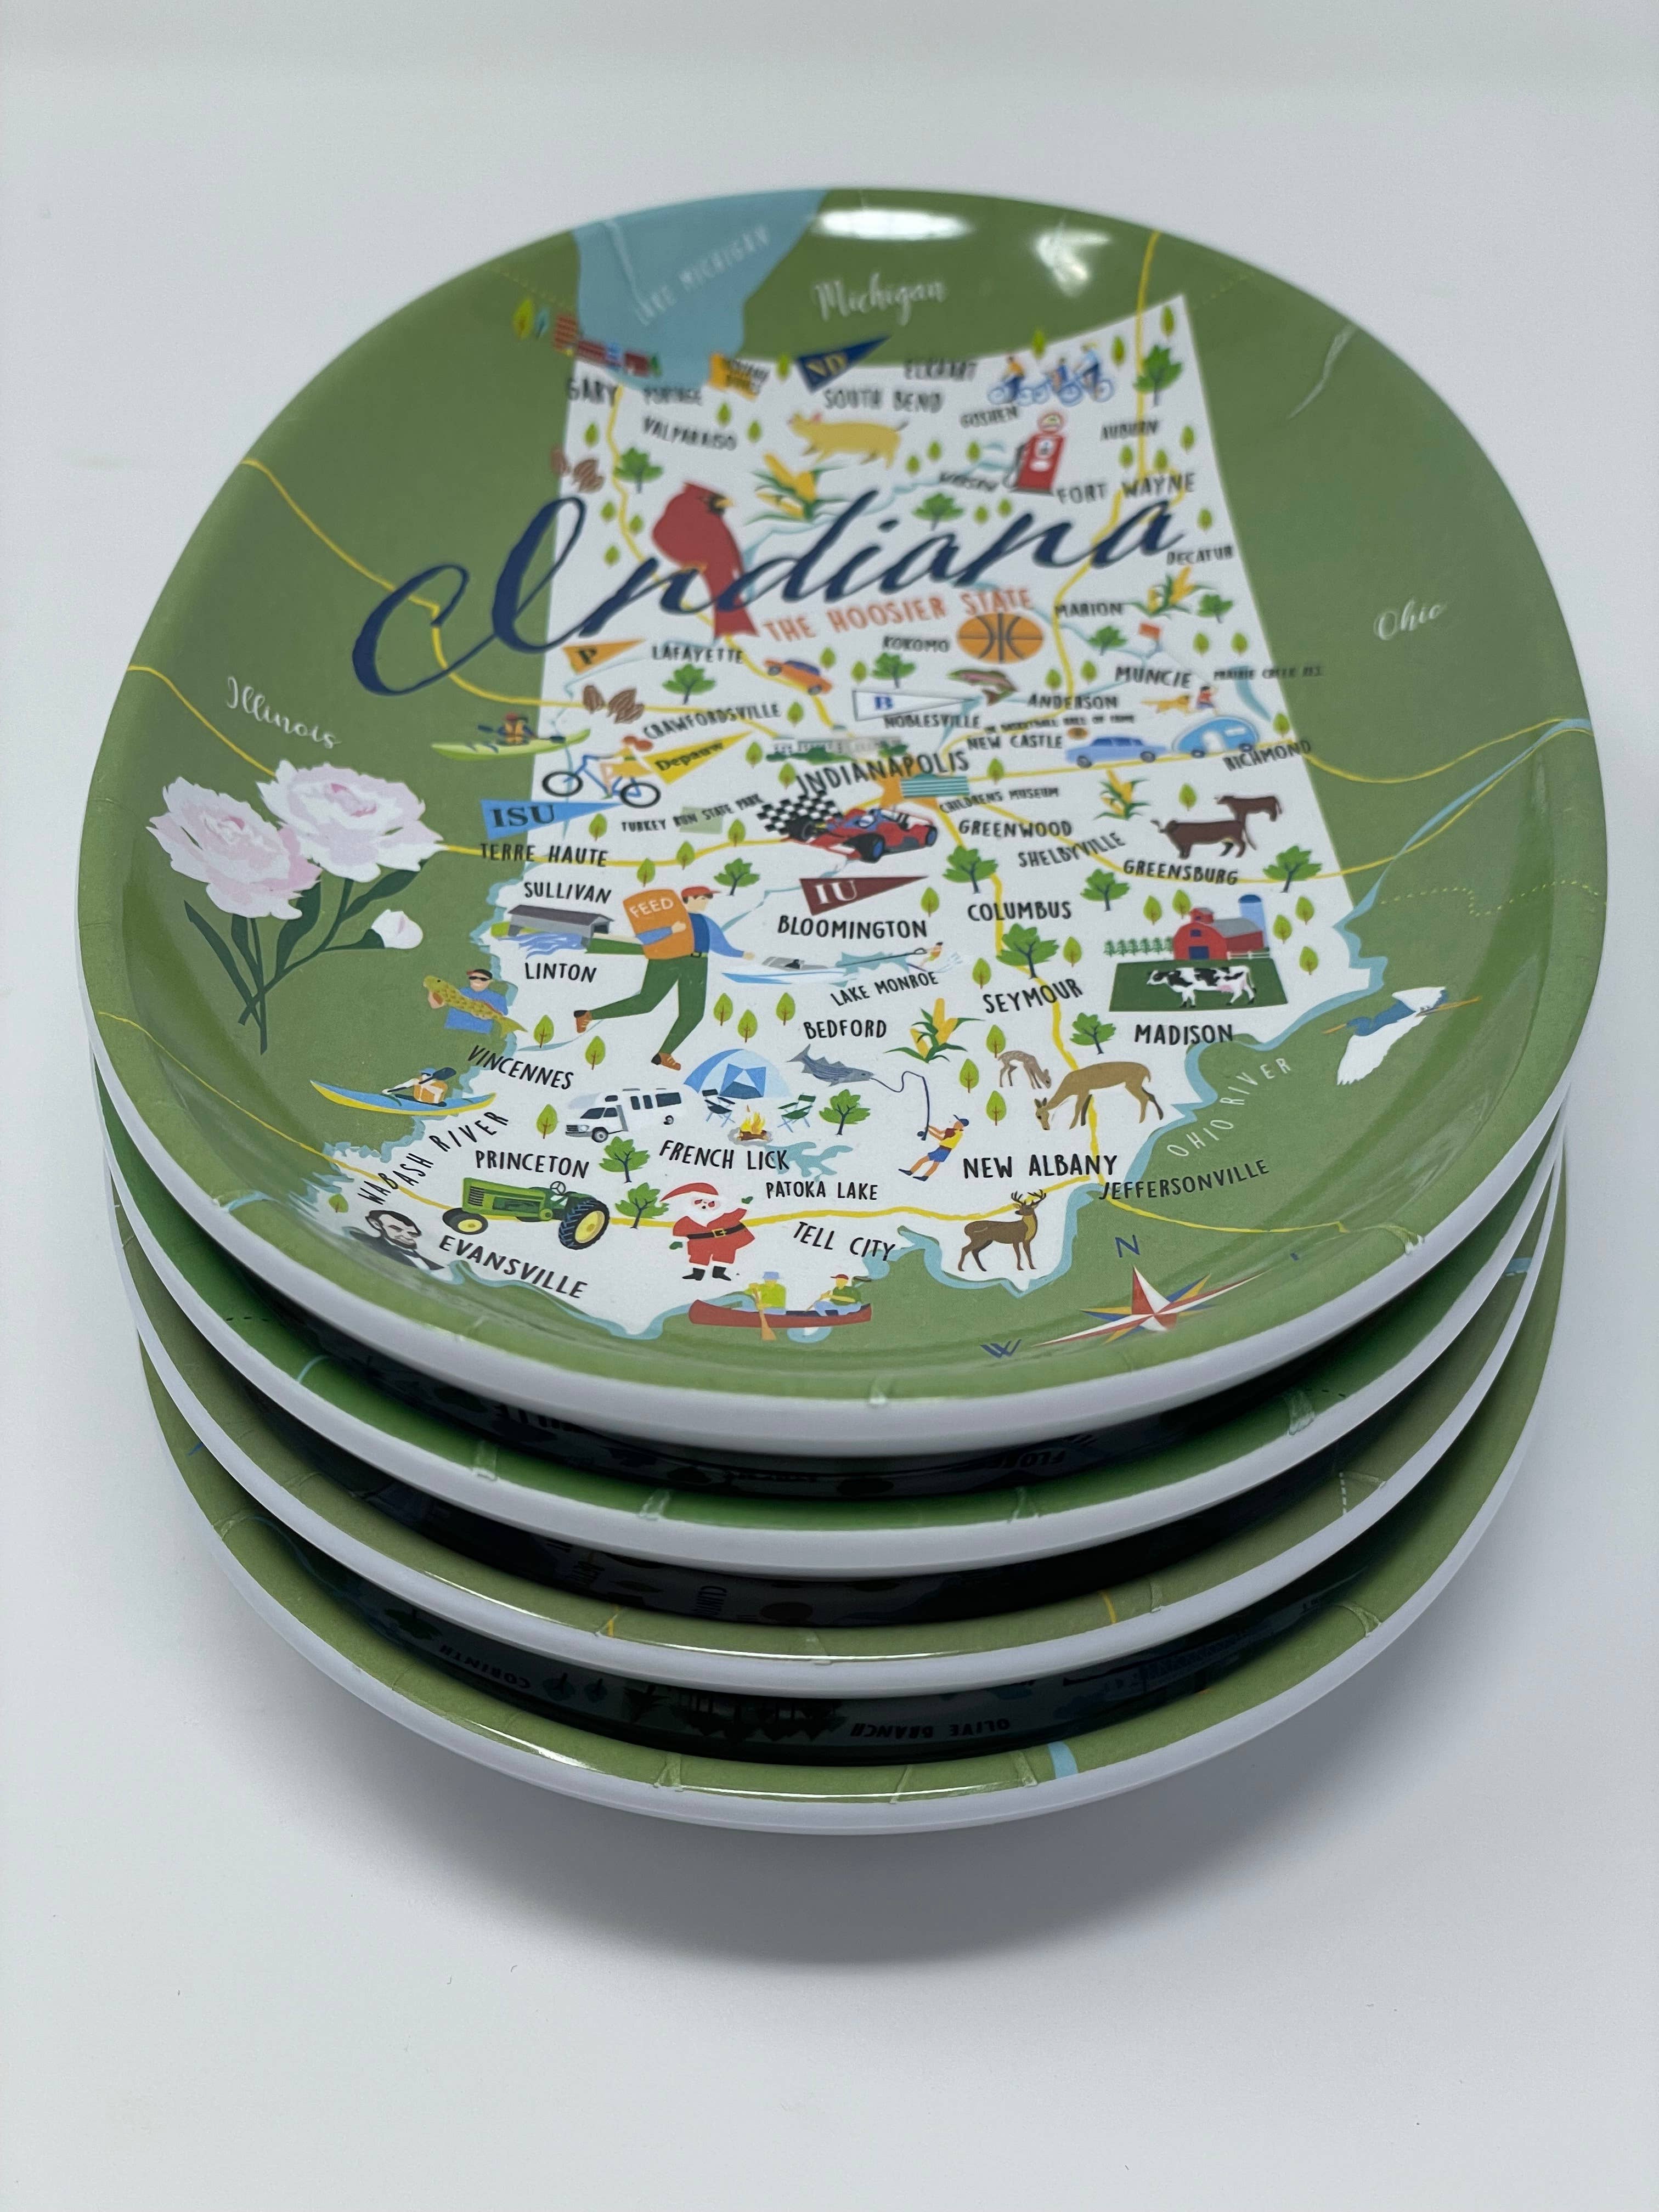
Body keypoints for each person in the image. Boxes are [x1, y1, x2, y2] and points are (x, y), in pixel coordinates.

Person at [575, 887, 746, 1072]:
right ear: (689, 899)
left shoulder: (706, 922)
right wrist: (671, 930)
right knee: (646, 1003)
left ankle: (664, 1053)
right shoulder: (671, 918)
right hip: (667, 960)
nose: (706, 902)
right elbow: (644, 937)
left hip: (697, 964)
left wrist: (742, 954)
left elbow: (720, 944)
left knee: (694, 1014)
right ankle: (588, 1016)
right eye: (703, 899)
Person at [667, 1182, 754, 1283]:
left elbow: (737, 1215)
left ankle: (719, 1273)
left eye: (711, 1203)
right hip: (699, 1243)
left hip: (722, 1242)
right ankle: (697, 1275)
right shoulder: (688, 1220)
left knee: (724, 1256)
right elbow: (680, 1228)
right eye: (699, 1201)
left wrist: (744, 1205)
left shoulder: (723, 1217)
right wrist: (678, 1241)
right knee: (699, 1257)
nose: (705, 1206)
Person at [349, 1209, 444, 1272]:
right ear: (376, 1225)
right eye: (397, 1229)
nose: (407, 1237)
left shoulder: (433, 1266)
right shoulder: (360, 1239)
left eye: (412, 1234)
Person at [901, 1115, 969, 1181]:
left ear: (962, 1126)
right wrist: (930, 1127)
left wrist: (930, 1132)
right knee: (933, 1164)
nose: (956, 1124)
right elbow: (939, 1132)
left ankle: (914, 1173)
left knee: (929, 1162)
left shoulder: (959, 1134)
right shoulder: (949, 1130)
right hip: (941, 1149)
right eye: (957, 1122)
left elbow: (942, 1139)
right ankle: (922, 1176)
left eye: (959, 1124)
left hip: (945, 1151)